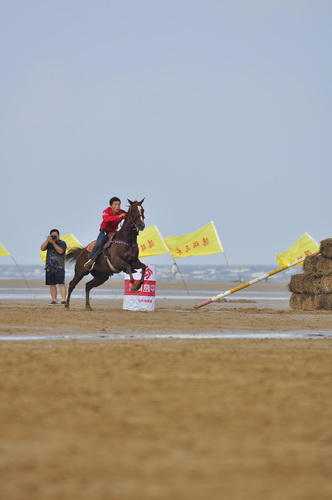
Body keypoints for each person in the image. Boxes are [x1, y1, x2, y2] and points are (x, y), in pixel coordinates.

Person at [84, 197, 127, 270]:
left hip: (114, 232)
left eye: (119, 205)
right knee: (98, 244)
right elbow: (106, 219)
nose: (117, 206)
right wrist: (118, 216)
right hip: (104, 232)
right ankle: (90, 260)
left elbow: (129, 217)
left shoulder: (122, 212)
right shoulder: (106, 211)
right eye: (115, 204)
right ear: (111, 206)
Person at [40, 229, 67, 305]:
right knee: (52, 284)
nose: (54, 237)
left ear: (58, 236)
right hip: (49, 266)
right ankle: (54, 300)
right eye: (52, 235)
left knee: (61, 283)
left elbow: (60, 251)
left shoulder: (62, 243)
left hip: (59, 267)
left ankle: (63, 300)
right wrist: (47, 240)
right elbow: (42, 248)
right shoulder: (48, 243)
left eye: (55, 235)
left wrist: (54, 243)